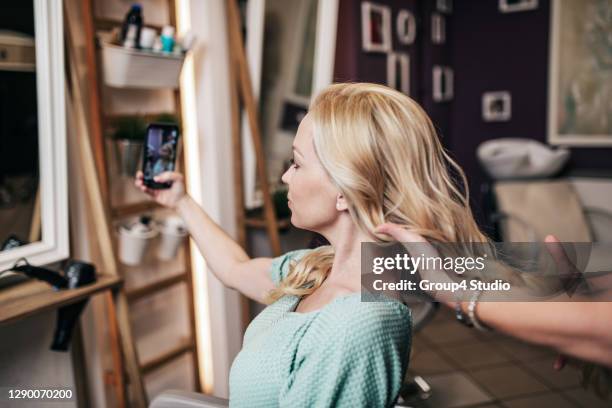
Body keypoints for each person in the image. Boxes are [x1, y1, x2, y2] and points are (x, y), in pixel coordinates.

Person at [136, 82, 491, 407]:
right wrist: (181, 201)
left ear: (344, 190)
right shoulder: (316, 267)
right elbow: (235, 270)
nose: (285, 176)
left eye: (297, 163)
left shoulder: (360, 324)